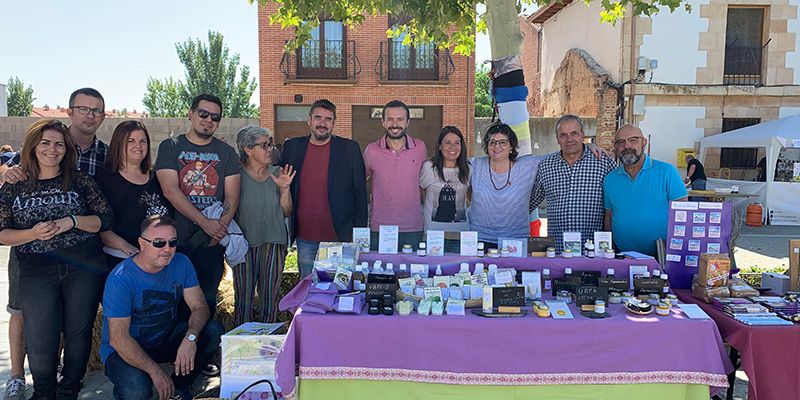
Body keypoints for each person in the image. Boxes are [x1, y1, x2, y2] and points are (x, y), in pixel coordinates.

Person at [0, 88, 109, 399]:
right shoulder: (16, 183)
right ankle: (40, 389)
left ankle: (70, 388)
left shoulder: (82, 178)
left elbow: (105, 218)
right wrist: (32, 233)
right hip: (34, 266)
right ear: (33, 147)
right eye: (45, 143)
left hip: (82, 265)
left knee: (78, 330)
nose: (52, 149)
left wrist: (72, 221)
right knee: (39, 333)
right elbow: (1, 231)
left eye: (58, 145)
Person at [101, 215, 224, 400]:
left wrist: (191, 338)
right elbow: (118, 339)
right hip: (124, 350)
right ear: (142, 243)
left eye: (172, 243)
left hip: (164, 339)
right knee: (138, 390)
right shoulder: (121, 278)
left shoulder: (181, 263)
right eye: (159, 243)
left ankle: (180, 387)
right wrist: (157, 373)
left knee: (213, 331)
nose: (167, 249)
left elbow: (200, 306)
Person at [155, 93, 240, 320]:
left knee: (206, 302)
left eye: (215, 117)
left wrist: (218, 229)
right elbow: (170, 190)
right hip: (175, 242)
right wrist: (204, 222)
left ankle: (202, 353)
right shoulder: (170, 146)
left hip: (211, 244)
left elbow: (232, 196)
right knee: (173, 304)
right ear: (191, 114)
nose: (208, 120)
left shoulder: (227, 153)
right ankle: (174, 355)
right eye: (203, 114)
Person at [278, 99, 368, 278]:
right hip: (305, 237)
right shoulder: (292, 148)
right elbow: (282, 183)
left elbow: (360, 193)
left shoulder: (349, 149)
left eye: (328, 119)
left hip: (340, 237)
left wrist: (358, 234)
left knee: (341, 291)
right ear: (309, 120)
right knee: (307, 288)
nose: (322, 123)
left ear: (334, 123)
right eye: (318, 117)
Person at [529, 115, 616, 252]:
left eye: (574, 133)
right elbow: (530, 202)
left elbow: (618, 201)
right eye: (563, 135)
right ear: (557, 138)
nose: (569, 139)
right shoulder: (546, 166)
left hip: (593, 251)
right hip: (557, 252)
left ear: (583, 134)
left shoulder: (603, 162)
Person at [234, 126, 294, 324]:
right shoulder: (235, 177)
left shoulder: (278, 173)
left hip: (274, 243)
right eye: (264, 145)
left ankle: (269, 346)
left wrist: (284, 190)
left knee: (270, 299)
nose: (270, 149)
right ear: (248, 150)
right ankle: (241, 345)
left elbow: (287, 211)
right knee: (243, 300)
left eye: (270, 144)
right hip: (244, 246)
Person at [95, 120, 170, 271]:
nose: (138, 146)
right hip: (120, 259)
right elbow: (99, 226)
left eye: (143, 141)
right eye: (131, 141)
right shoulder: (104, 178)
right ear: (118, 144)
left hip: (159, 258)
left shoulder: (157, 178)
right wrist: (129, 249)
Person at [603, 125, 688, 256]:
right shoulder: (610, 179)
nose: (626, 146)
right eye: (620, 142)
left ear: (644, 143)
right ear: (615, 148)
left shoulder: (667, 172)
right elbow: (609, 216)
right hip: (622, 256)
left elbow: (684, 213)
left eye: (633, 140)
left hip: (661, 256)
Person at [468, 123, 547, 246]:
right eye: (492, 142)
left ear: (511, 146)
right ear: (487, 146)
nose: (497, 146)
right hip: (479, 240)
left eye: (503, 142)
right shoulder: (474, 165)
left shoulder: (528, 165)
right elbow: (449, 163)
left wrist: (587, 146)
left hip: (516, 241)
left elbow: (560, 156)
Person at [364, 100, 427, 250]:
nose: (395, 124)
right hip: (380, 228)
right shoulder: (372, 150)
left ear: (407, 122)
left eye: (400, 119)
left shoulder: (420, 148)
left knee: (413, 272)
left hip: (413, 226)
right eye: (390, 119)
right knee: (381, 272)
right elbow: (358, 182)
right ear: (383, 122)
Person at [419, 126, 470, 253]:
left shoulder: (469, 169)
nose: (453, 147)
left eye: (457, 143)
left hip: (460, 236)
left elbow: (470, 197)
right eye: (447, 142)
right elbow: (420, 192)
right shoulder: (429, 168)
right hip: (433, 235)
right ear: (440, 146)